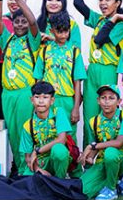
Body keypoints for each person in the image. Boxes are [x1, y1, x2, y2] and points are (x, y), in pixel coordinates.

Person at [74, 0, 123, 147]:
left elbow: (100, 39)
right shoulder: (98, 19)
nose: (103, 3)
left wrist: (113, 19)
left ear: (117, 3)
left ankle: (111, 159)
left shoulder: (121, 25)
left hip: (109, 72)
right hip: (92, 73)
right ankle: (90, 160)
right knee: (90, 117)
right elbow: (78, 3)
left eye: (108, 0)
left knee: (110, 117)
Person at [0, 0, 41, 175]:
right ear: (12, 24)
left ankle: (27, 170)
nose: (20, 24)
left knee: (25, 133)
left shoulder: (33, 39)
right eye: (17, 22)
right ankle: (19, 168)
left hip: (24, 94)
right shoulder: (8, 39)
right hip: (7, 95)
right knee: (13, 133)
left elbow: (33, 22)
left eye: (23, 22)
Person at [33, 11, 86, 147]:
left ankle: (73, 168)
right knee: (49, 132)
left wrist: (75, 108)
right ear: (51, 31)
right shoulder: (45, 50)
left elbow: (78, 81)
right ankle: (50, 165)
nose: (63, 35)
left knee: (69, 135)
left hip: (67, 100)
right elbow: (38, 78)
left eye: (65, 31)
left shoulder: (74, 52)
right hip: (48, 99)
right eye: (59, 31)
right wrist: (38, 100)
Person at [79, 85, 123, 200]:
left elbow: (119, 143)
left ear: (119, 101)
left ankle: (112, 188)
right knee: (83, 189)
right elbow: (95, 145)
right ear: (98, 101)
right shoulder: (93, 121)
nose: (107, 102)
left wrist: (92, 146)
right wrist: (88, 157)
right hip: (103, 161)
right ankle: (115, 179)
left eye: (111, 98)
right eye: (103, 98)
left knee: (110, 153)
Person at [19, 81, 72, 178]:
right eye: (37, 97)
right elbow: (27, 156)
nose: (41, 101)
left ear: (52, 100)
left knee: (59, 150)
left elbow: (62, 140)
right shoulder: (28, 125)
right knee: (27, 184)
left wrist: (37, 151)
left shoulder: (58, 113)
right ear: (32, 100)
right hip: (38, 163)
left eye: (45, 97)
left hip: (55, 158)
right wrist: (38, 170)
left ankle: (60, 182)